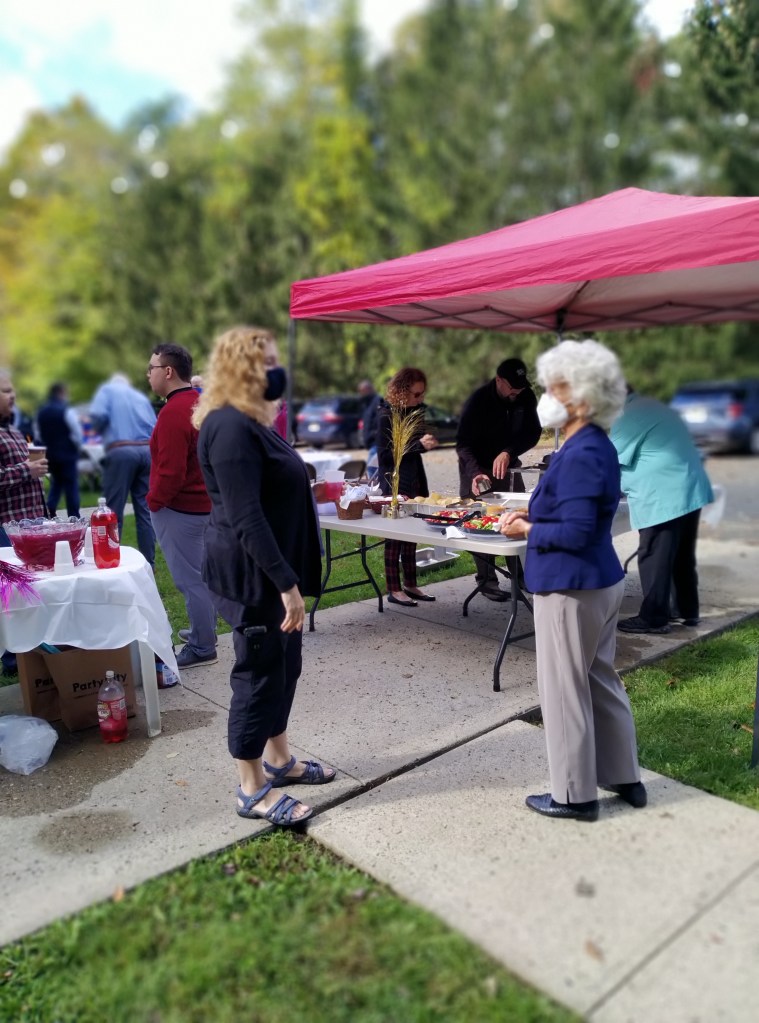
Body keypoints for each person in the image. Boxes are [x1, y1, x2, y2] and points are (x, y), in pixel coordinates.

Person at [499, 339, 645, 822]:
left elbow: (577, 532)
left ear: (582, 397)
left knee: (564, 691)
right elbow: (578, 515)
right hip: (597, 580)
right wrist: (533, 515)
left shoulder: (581, 451)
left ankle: (573, 795)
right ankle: (624, 775)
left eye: (556, 388)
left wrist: (527, 530)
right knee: (600, 679)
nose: (547, 396)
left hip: (571, 585)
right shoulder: (594, 444)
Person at [193, 325, 333, 827]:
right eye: (268, 361)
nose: (277, 370)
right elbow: (246, 517)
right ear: (243, 367)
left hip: (272, 575)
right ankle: (251, 788)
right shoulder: (229, 427)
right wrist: (286, 584)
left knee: (284, 668)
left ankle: (279, 760)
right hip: (254, 580)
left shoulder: (250, 421)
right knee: (258, 676)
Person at [611, 388, 714, 635]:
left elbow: (606, 458)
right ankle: (686, 610)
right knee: (680, 554)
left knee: (653, 553)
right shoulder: (652, 406)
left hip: (664, 493)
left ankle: (654, 618)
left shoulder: (630, 415)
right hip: (689, 487)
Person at [146, 343, 218, 671]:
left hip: (181, 509)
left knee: (192, 581)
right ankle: (205, 633)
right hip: (207, 505)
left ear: (168, 371)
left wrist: (154, 502)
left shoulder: (174, 413)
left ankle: (202, 646)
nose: (148, 375)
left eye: (151, 368)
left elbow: (171, 472)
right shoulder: (202, 403)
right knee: (203, 577)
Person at [456, 358, 542, 600]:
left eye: (520, 387)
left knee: (516, 516)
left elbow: (532, 433)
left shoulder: (525, 396)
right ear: (499, 381)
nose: (516, 392)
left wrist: (508, 452)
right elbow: (463, 444)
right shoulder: (478, 400)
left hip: (508, 466)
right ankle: (487, 581)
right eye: (512, 387)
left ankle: (522, 576)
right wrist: (476, 473)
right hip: (477, 468)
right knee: (481, 522)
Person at [376, 368, 439, 607]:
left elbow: (415, 446)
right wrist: (418, 445)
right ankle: (394, 588)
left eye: (422, 394)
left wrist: (427, 439)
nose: (420, 399)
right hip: (395, 484)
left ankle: (410, 584)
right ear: (401, 392)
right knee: (394, 537)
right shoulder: (386, 416)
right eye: (416, 394)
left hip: (414, 480)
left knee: (412, 534)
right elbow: (385, 456)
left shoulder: (413, 413)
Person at [0, 369, 49, 676]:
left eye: (12, 390)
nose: (13, 395)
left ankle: (34, 647)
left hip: (31, 524)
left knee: (33, 590)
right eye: (6, 391)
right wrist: (26, 471)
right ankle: (12, 658)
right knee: (10, 595)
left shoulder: (15, 432)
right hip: (6, 528)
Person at [89, 373, 157, 568]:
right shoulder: (140, 397)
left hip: (121, 450)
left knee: (112, 511)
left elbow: (98, 416)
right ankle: (148, 565)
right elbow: (154, 425)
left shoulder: (106, 390)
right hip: (146, 450)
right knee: (145, 511)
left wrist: (101, 430)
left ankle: (110, 560)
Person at [36, 382, 83, 518]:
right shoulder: (66, 410)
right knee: (71, 485)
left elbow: (38, 434)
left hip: (50, 453)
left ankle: (50, 509)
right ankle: (74, 516)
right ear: (61, 393)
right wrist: (77, 447)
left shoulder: (41, 412)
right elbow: (77, 433)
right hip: (67, 454)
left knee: (56, 482)